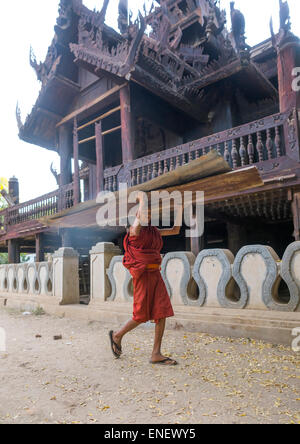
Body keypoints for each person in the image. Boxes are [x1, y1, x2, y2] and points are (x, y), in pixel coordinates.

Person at [109, 193, 181, 366]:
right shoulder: (134, 232)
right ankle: (117, 335)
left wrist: (180, 208)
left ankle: (156, 353)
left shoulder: (153, 231)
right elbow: (139, 219)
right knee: (141, 314)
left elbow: (175, 230)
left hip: (156, 275)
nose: (149, 214)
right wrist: (141, 199)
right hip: (143, 276)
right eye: (145, 212)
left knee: (161, 312)